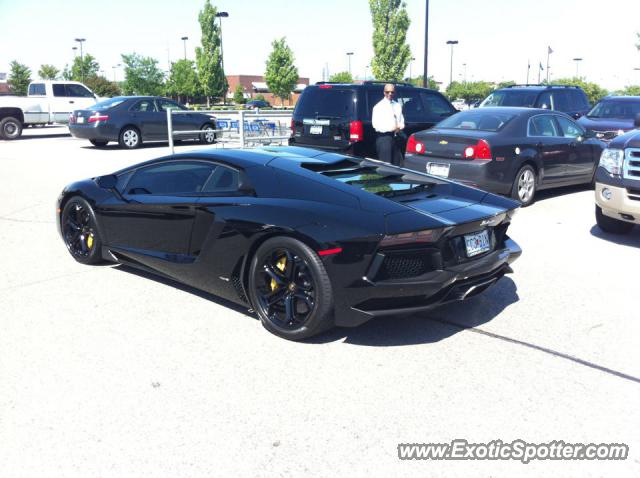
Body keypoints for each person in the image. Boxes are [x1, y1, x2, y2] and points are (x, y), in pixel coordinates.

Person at [371, 84, 405, 166]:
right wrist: (391, 128)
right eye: (387, 92)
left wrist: (400, 126)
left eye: (392, 92)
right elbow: (376, 125)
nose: (390, 94)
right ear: (384, 92)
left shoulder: (397, 105)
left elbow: (401, 120)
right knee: (386, 166)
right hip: (384, 139)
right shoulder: (379, 107)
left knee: (397, 165)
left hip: (396, 138)